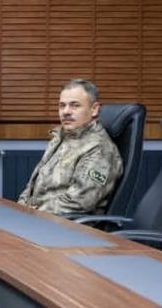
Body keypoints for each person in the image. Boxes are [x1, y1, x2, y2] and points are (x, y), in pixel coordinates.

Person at [18, 79, 123, 215]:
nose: (66, 112)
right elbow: (32, 186)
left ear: (94, 109)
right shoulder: (61, 138)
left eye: (75, 105)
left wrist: (31, 213)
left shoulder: (99, 149)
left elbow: (80, 201)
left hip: (67, 224)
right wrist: (19, 208)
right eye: (62, 106)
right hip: (37, 218)